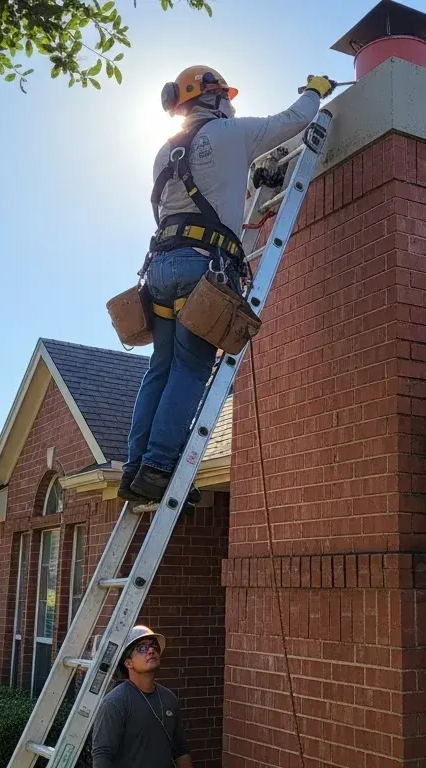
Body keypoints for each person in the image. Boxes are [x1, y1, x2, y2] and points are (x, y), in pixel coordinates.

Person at [120, 66, 337, 505]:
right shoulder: (230, 133)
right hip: (202, 266)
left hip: (160, 268)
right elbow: (291, 122)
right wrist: (314, 91)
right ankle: (160, 466)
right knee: (191, 367)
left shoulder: (164, 152)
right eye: (227, 96)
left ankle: (134, 469)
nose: (232, 104)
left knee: (159, 369)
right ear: (213, 97)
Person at [90, 625, 191, 768]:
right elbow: (102, 756)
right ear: (128, 663)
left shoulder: (169, 698)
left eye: (154, 646)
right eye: (142, 648)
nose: (151, 650)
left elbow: (181, 750)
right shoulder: (115, 702)